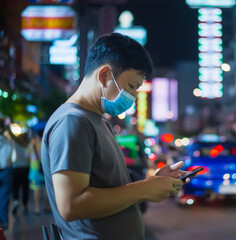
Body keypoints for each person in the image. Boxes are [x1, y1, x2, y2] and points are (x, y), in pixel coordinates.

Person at [41, 33, 188, 240]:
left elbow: (109, 190)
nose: (134, 97)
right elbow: (71, 205)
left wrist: (154, 183)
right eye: (131, 86)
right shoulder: (72, 121)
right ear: (104, 76)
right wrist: (144, 189)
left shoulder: (98, 121)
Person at [28, 130, 49, 214]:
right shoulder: (46, 144)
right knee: (47, 190)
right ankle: (47, 206)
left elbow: (27, 157)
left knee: (36, 190)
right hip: (46, 170)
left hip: (35, 171)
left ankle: (37, 208)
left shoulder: (32, 146)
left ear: (37, 136)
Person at [11, 132, 30, 214]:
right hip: (26, 168)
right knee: (25, 188)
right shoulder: (27, 145)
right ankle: (24, 205)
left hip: (16, 167)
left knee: (15, 186)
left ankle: (16, 200)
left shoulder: (15, 144)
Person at [0, 118, 13, 230]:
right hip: (5, 171)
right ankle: (4, 223)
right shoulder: (7, 141)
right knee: (4, 198)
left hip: (5, 171)